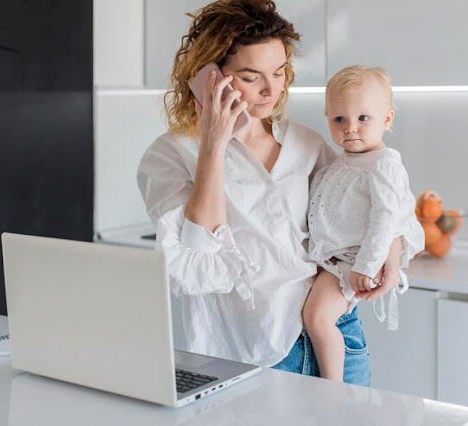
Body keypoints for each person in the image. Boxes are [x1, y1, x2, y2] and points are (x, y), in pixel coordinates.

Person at [137, 0, 420, 385]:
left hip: (336, 333)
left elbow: (374, 207)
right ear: (210, 76)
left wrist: (393, 247)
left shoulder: (306, 143)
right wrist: (213, 145)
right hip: (247, 355)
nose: (272, 89)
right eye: (252, 77)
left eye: (279, 71)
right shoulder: (171, 155)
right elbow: (192, 268)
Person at [301, 65, 425, 382]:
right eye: (339, 119)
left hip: (350, 263)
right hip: (331, 259)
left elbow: (387, 218)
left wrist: (367, 266)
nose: (350, 128)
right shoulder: (342, 161)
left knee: (317, 318)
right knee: (315, 316)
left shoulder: (385, 164)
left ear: (387, 119)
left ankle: (332, 385)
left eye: (363, 118)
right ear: (327, 116)